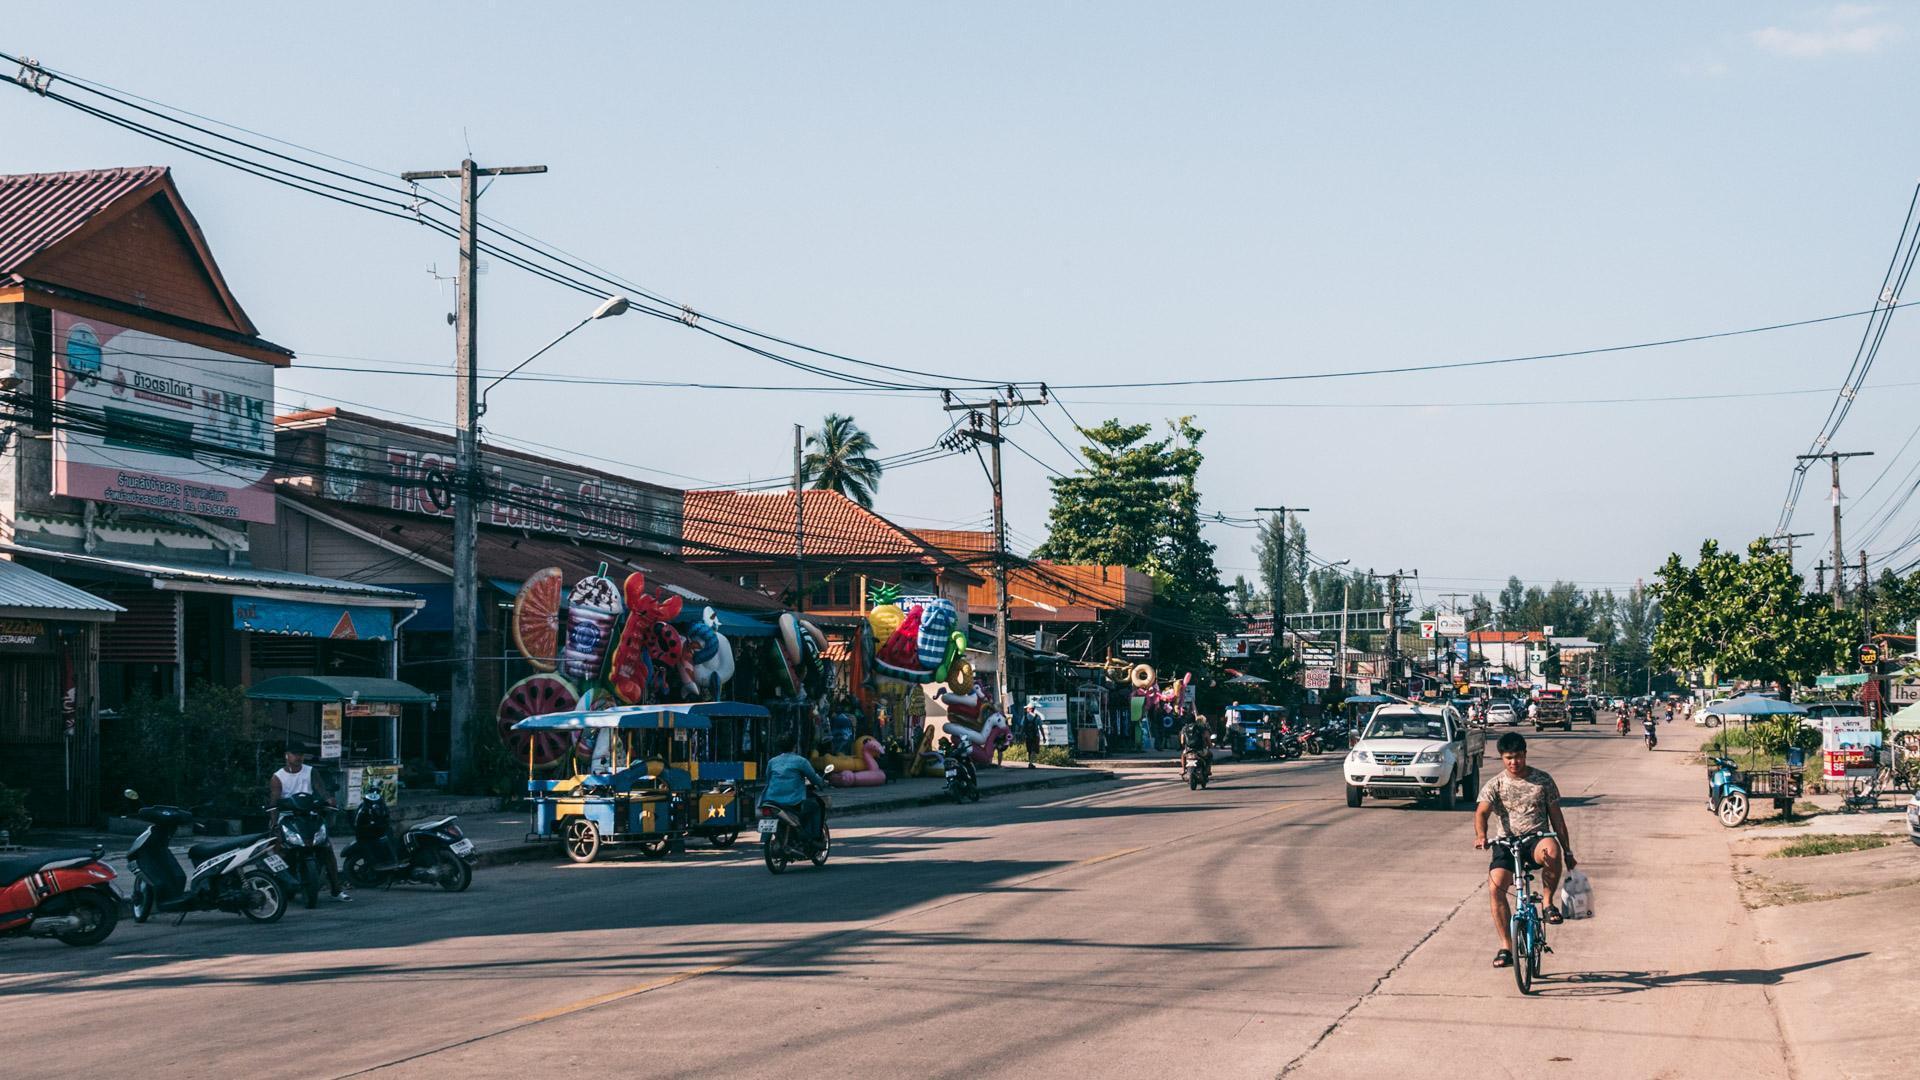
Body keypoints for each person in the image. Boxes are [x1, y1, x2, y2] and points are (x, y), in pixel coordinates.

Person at [1473, 732, 1575, 969]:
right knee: (1495, 887)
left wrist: (1568, 851)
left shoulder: (1543, 780)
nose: (1514, 762)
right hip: (1506, 844)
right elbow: (1482, 813)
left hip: (1536, 839)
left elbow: (1557, 819)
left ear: (1525, 755)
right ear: (1502, 758)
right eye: (1508, 758)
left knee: (1552, 851)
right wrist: (1480, 836)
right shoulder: (1495, 784)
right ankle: (1506, 947)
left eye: (1518, 757)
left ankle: (1548, 903)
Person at [269, 745, 350, 902]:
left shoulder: (310, 771)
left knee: (326, 848)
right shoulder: (277, 777)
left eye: (300, 754)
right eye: (294, 754)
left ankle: (336, 889)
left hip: (309, 814)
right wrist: (274, 823)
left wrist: (328, 799)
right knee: (279, 850)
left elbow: (321, 789)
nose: (298, 757)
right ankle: (278, 885)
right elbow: (274, 801)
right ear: (287, 755)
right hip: (287, 816)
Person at [762, 733, 828, 846]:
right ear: (794, 746)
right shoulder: (800, 761)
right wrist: (822, 783)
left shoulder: (772, 762)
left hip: (770, 800)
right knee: (816, 806)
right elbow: (814, 778)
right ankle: (815, 838)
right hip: (792, 801)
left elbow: (768, 779)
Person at [1021, 701, 1043, 768]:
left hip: (1027, 735)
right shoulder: (1037, 717)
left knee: (1029, 750)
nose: (1026, 709)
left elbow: (1022, 726)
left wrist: (1021, 734)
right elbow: (1041, 727)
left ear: (1030, 709)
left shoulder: (1025, 717)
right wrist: (1044, 736)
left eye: (1027, 708)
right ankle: (1031, 763)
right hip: (1035, 735)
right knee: (1034, 750)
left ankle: (1030, 763)